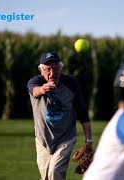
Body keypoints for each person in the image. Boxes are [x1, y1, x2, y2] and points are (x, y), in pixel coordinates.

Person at [27, 52, 93, 180]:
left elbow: (82, 113)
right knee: (45, 177)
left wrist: (89, 141)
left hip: (65, 138)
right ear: (41, 70)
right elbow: (34, 91)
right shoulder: (36, 82)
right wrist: (43, 89)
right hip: (42, 139)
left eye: (56, 68)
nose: (52, 72)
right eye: (48, 69)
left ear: (60, 68)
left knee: (55, 172)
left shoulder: (70, 83)